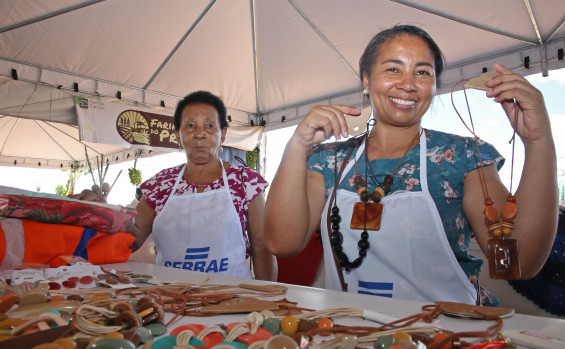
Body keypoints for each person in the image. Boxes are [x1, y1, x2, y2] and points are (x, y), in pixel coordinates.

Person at [264, 25, 558, 305]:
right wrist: (297, 145)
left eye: (422, 72)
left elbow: (518, 264)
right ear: (366, 79)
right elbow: (282, 243)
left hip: (446, 334)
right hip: (349, 328)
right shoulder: (329, 160)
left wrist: (538, 141)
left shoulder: (464, 156)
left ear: (434, 86)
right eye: (393, 69)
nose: (407, 84)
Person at [132, 91, 277, 281]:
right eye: (190, 126)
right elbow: (131, 241)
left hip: (234, 298)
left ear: (222, 134)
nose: (200, 134)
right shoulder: (160, 184)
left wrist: (264, 297)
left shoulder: (245, 181)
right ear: (177, 135)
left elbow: (262, 249)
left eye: (209, 126)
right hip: (170, 299)